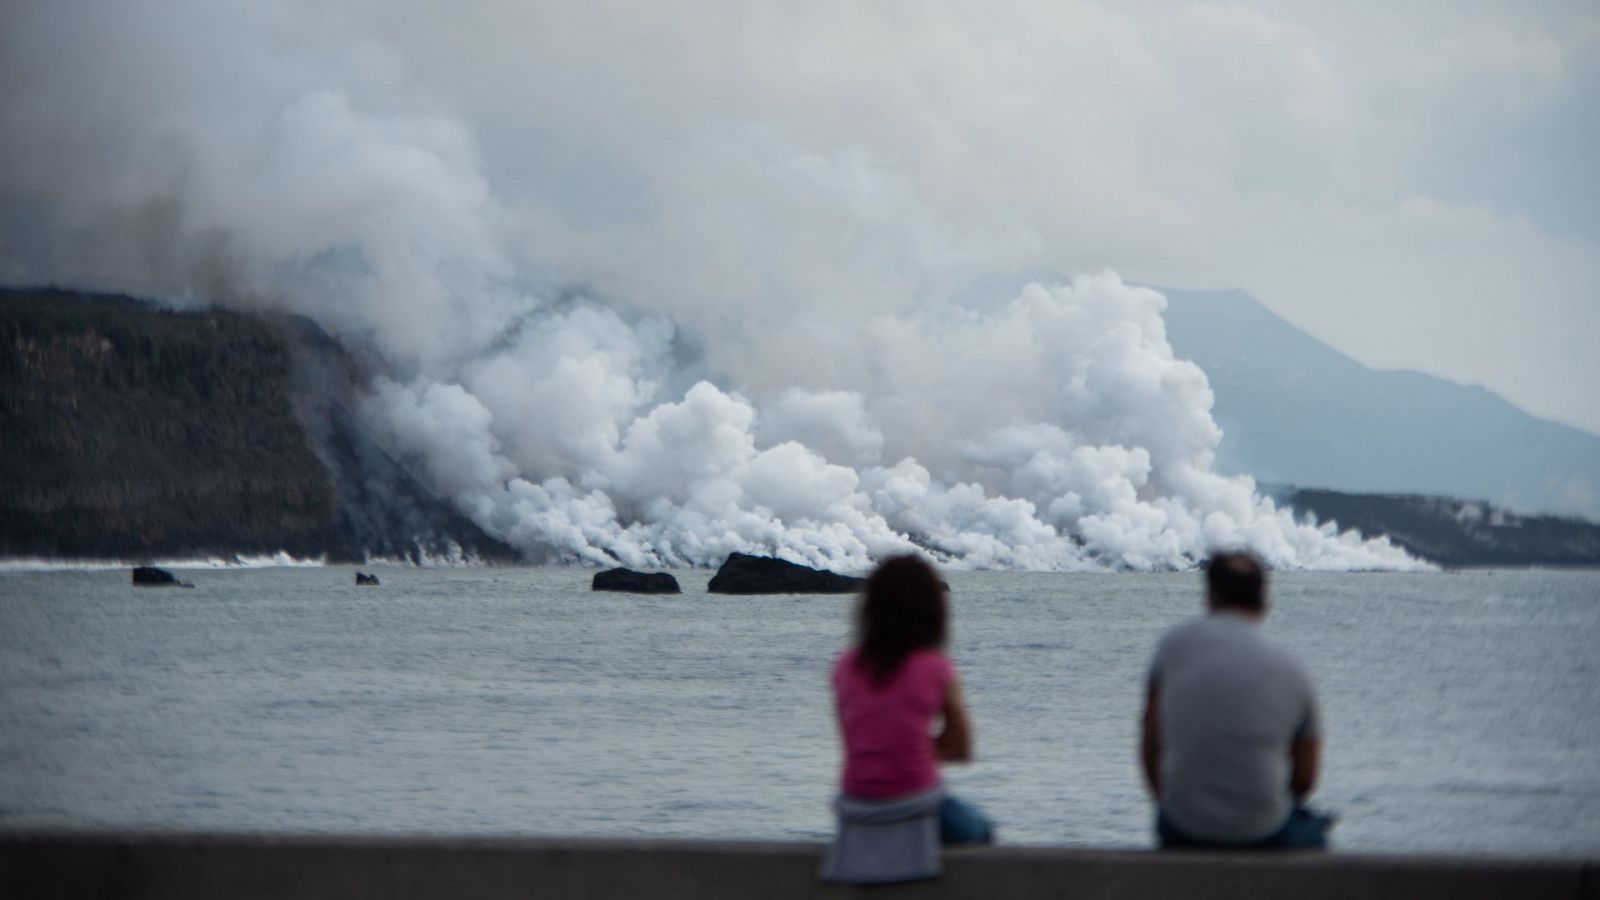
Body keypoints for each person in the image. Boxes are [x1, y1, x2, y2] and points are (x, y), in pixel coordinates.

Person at [1139, 551, 1331, 850]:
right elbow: (1306, 779)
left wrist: (1170, 805)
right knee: (1316, 830)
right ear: (1265, 602)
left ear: (1210, 597)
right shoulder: (1292, 669)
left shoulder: (1173, 646)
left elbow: (1150, 744)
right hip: (1263, 830)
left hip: (1182, 827)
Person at [821, 555, 992, 883]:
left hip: (855, 805)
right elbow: (961, 747)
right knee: (980, 828)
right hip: (916, 805)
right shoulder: (936, 668)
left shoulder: (844, 667)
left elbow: (865, 734)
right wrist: (915, 751)